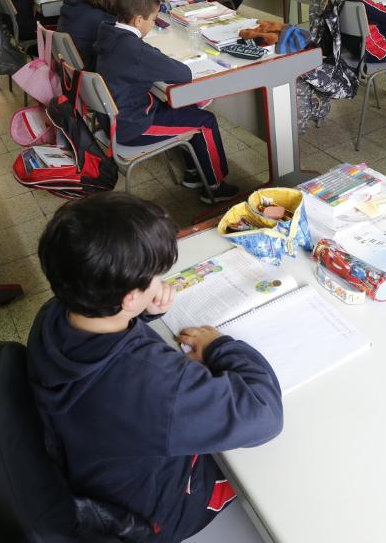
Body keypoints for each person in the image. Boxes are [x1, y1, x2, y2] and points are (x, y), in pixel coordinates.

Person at [26, 193, 282, 542]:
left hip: (99, 473)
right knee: (276, 469)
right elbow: (263, 413)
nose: (160, 282)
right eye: (154, 277)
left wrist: (143, 311)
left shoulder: (54, 315)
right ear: (128, 296)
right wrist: (219, 346)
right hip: (162, 513)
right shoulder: (152, 386)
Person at [94, 0, 239, 203]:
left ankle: (193, 173)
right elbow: (182, 73)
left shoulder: (109, 33)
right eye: (153, 20)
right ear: (138, 21)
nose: (153, 25)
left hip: (115, 116)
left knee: (183, 108)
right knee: (205, 121)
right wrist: (155, 56)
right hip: (131, 125)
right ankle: (216, 186)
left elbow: (148, 58)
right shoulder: (135, 51)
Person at [58, 0, 121, 69]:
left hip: (69, 71)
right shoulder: (99, 18)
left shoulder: (71, 7)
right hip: (89, 71)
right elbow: (125, 28)